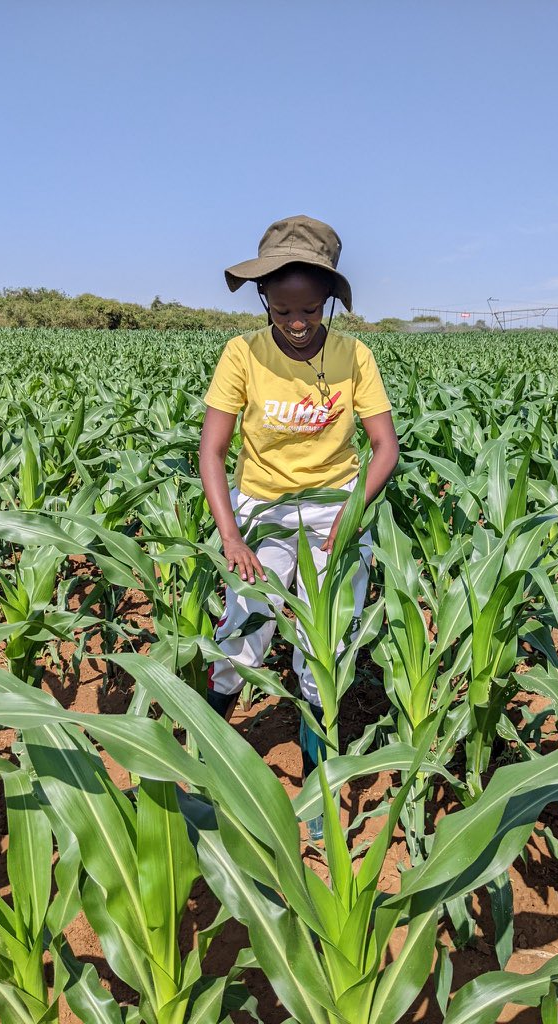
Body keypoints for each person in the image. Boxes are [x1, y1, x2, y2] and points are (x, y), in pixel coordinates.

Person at [199, 215, 399, 833]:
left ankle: (317, 792)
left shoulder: (353, 356)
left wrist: (353, 511)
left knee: (326, 647)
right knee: (244, 636)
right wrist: (232, 535)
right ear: (264, 300)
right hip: (260, 508)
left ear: (328, 304)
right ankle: (206, 757)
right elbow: (212, 450)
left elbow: (384, 447)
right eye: (282, 310)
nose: (296, 324)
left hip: (337, 507)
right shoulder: (243, 353)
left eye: (309, 310)